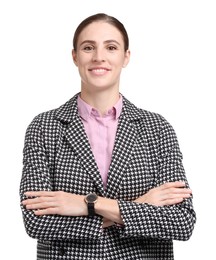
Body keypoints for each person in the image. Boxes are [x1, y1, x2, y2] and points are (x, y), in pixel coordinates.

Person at [20, 13, 196, 260]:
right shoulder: (44, 127)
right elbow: (36, 223)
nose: (98, 57)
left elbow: (181, 221)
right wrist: (140, 204)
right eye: (88, 47)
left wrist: (88, 204)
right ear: (75, 56)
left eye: (111, 47)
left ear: (126, 57)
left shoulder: (157, 129)